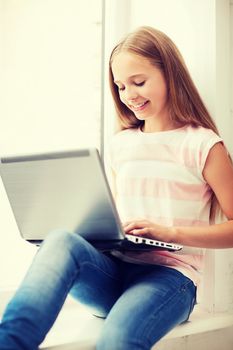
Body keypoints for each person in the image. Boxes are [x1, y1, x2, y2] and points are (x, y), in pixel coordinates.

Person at [1, 26, 233, 350]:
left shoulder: (203, 145)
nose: (129, 95)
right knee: (60, 240)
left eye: (138, 82)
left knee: (116, 341)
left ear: (170, 73)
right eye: (121, 86)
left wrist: (171, 233)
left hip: (170, 279)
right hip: (115, 270)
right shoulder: (121, 145)